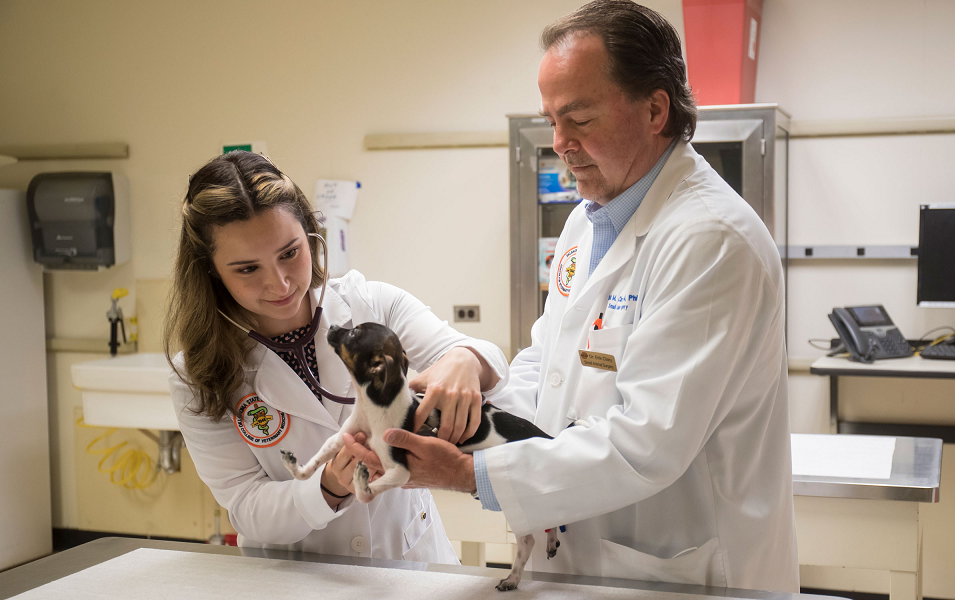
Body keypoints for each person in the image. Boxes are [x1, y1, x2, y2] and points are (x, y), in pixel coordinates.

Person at [346, 0, 799, 591]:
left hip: (690, 567)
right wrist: (466, 409)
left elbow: (646, 442)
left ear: (655, 109)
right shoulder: (590, 221)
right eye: (551, 119)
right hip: (589, 559)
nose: (559, 142)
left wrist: (471, 473)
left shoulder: (711, 239)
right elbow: (548, 366)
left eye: (579, 119)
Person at [165, 150, 508, 562]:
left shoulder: (370, 304)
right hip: (302, 579)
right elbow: (247, 507)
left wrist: (465, 360)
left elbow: (487, 358)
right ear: (211, 272)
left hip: (413, 567)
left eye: (290, 253)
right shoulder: (198, 373)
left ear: (311, 235)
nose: (280, 283)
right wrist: (328, 484)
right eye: (247, 269)